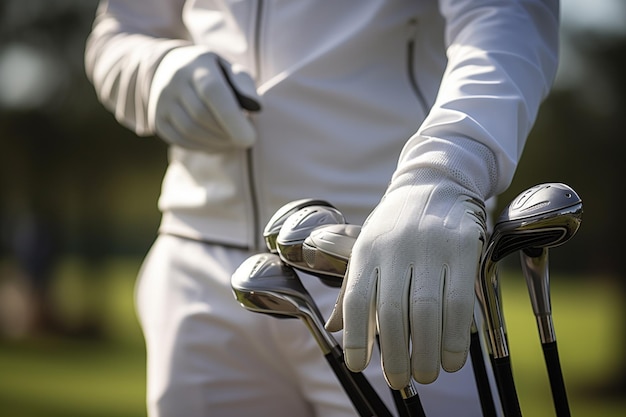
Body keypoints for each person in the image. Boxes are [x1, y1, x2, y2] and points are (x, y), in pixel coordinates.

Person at [84, 1, 559, 416]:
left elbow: (506, 16)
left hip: (392, 252)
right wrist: (155, 69)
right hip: (196, 264)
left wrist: (445, 171)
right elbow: (117, 32)